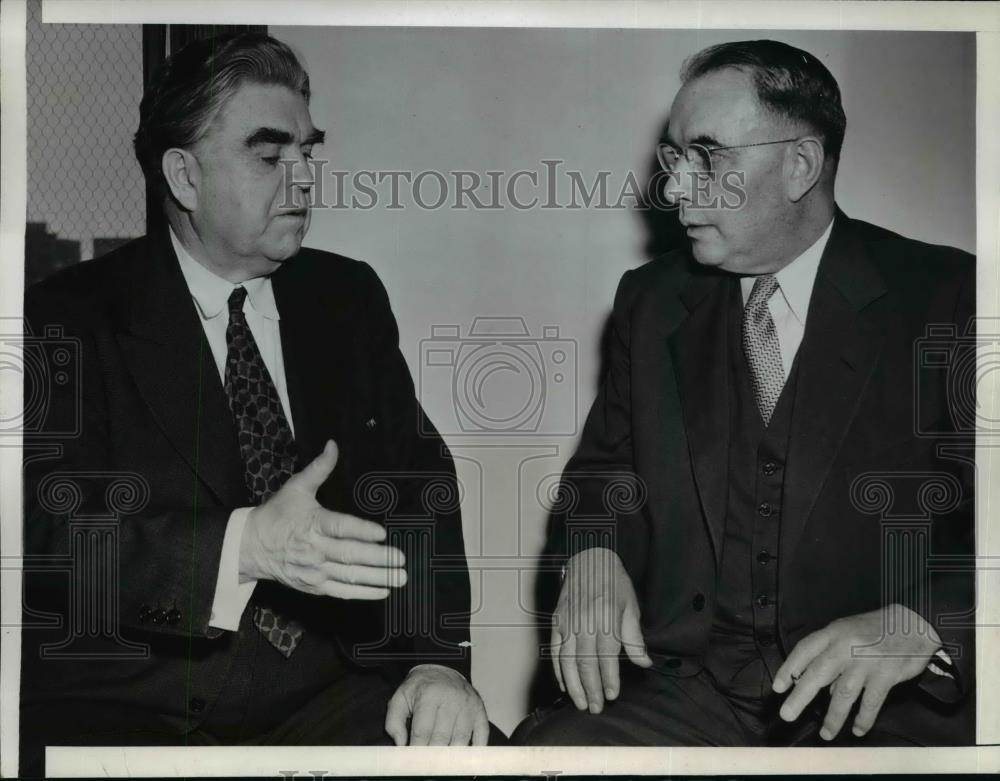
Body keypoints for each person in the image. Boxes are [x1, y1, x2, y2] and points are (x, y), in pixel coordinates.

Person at [20, 33, 494, 776]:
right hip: (135, 715)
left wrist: (436, 663)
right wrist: (246, 548)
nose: (303, 179)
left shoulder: (346, 297)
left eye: (309, 152)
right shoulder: (63, 319)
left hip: (328, 698)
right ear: (184, 175)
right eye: (271, 157)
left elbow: (418, 487)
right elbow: (45, 533)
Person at [513, 39, 974, 747]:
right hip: (688, 692)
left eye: (709, 157)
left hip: (880, 701)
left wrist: (925, 622)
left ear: (801, 165)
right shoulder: (651, 299)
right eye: (674, 158)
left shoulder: (949, 297)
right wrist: (594, 551)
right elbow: (605, 470)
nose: (675, 190)